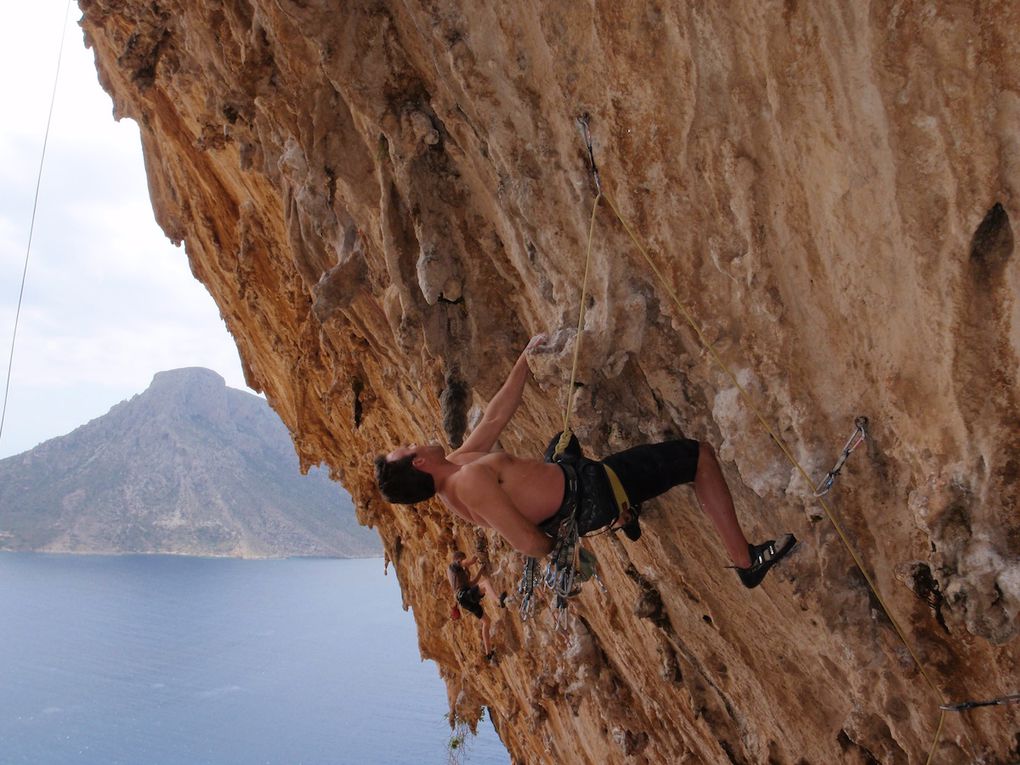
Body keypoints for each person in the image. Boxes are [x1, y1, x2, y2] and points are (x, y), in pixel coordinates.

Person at [375, 334, 796, 589]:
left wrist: (525, 358)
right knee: (698, 456)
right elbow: (526, 541)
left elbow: (495, 416)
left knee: (563, 440)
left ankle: (627, 514)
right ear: (418, 465)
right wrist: (564, 554)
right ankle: (746, 562)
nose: (415, 442)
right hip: (593, 493)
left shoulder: (457, 466)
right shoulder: (465, 485)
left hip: (573, 482)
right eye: (408, 448)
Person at [447, 551, 507, 660]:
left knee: (486, 622)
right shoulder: (453, 567)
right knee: (485, 583)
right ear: (459, 559)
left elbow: (472, 583)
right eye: (463, 559)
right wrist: (476, 555)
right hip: (464, 596)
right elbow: (467, 562)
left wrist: (480, 570)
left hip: (465, 599)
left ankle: (488, 653)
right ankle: (498, 601)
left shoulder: (461, 574)